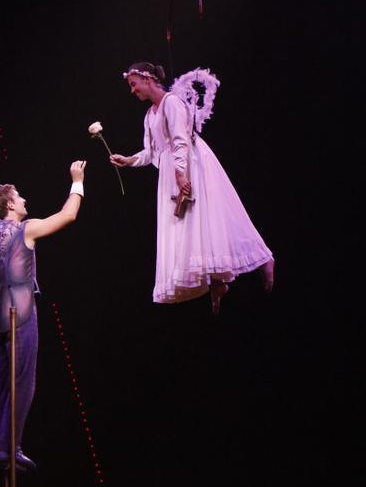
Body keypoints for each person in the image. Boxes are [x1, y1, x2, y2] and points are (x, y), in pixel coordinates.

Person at [110, 62, 274, 314]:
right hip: (171, 170)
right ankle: (217, 283)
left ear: (148, 78)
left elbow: (179, 140)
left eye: (134, 84)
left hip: (189, 165)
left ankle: (263, 258)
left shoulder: (172, 102)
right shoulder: (150, 115)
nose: (132, 91)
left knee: (209, 220)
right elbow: (153, 151)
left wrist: (181, 173)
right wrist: (130, 160)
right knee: (194, 229)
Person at [0, 161, 86, 470]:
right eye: (19, 196)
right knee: (23, 382)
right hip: (21, 310)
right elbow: (68, 215)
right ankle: (9, 447)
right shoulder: (25, 229)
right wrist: (77, 181)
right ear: (11, 205)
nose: (24, 199)